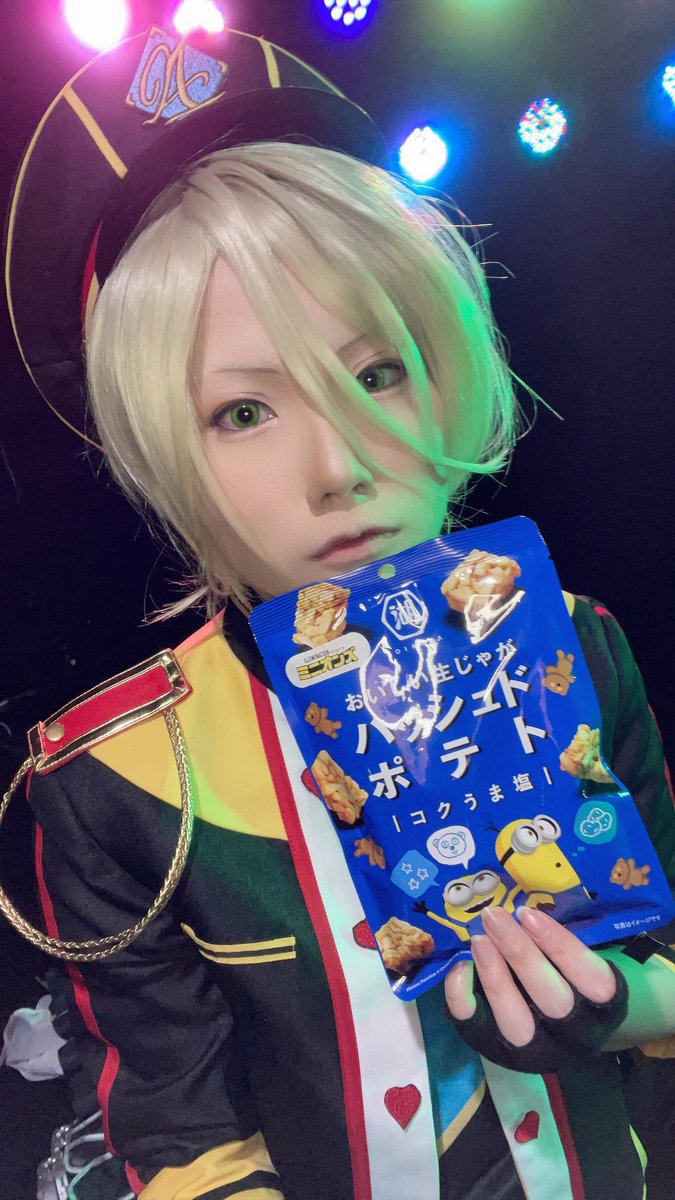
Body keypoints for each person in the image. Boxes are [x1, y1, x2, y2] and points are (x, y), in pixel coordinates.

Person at [2, 24, 674, 1200]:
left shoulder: (582, 647)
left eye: (374, 374)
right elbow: (182, 1139)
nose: (340, 468)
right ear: (163, 452)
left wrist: (620, 1006)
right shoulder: (119, 783)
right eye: (243, 413)